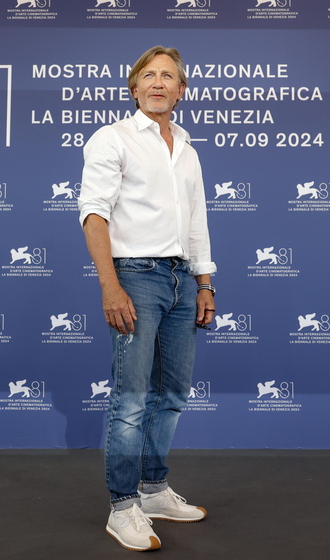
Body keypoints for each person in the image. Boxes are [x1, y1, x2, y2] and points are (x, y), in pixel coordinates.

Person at [78, 45, 217, 552]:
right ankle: (123, 507)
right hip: (135, 275)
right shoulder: (112, 138)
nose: (159, 83)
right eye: (149, 75)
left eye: (169, 77)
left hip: (183, 280)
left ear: (182, 91)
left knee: (173, 393)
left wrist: (205, 283)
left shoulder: (187, 147)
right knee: (132, 397)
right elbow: (94, 213)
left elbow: (197, 223)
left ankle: (154, 490)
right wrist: (110, 283)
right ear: (134, 87)